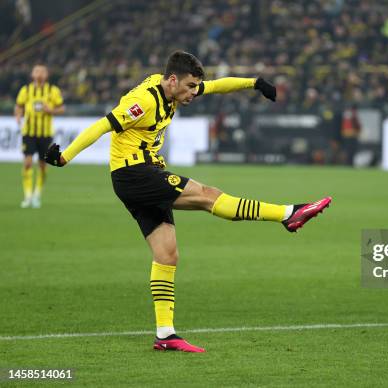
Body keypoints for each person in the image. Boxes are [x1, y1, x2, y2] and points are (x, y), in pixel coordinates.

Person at [44, 51, 332, 352]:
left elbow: (218, 85)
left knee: (167, 254)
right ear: (172, 80)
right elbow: (102, 126)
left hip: (138, 175)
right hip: (136, 173)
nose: (195, 92)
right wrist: (65, 157)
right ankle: (288, 213)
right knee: (209, 196)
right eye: (191, 86)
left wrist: (255, 82)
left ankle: (165, 334)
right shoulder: (145, 100)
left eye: (196, 86)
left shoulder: (172, 90)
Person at [14, 64, 65, 208]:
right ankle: (28, 196)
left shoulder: (53, 90)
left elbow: (61, 108)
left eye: (42, 71)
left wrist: (52, 110)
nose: (39, 73)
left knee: (42, 166)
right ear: (32, 74)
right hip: (29, 132)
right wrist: (18, 115)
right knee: (28, 163)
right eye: (36, 70)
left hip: (46, 134)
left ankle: (37, 194)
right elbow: (18, 106)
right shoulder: (26, 90)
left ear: (46, 75)